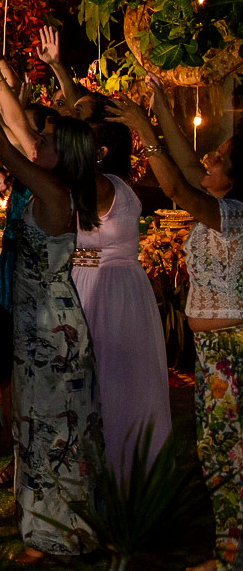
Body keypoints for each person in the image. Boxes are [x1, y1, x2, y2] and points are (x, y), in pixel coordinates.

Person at [0, 45, 102, 564]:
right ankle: (42, 528)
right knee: (33, 427)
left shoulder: (53, 192)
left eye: (46, 141)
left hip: (52, 328)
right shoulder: (48, 187)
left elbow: (5, 148)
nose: (38, 142)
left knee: (55, 430)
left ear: (63, 155)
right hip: (33, 322)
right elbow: (10, 141)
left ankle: (61, 535)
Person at [109, 83, 243, 571]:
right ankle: (227, 551)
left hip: (233, 355)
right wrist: (159, 104)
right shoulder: (219, 208)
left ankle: (232, 557)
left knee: (231, 456)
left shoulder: (235, 216)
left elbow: (177, 189)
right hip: (213, 354)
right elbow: (186, 165)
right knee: (215, 453)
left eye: (220, 158)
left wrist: (145, 134)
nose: (209, 158)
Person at [73, 118, 171, 482]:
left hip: (103, 288)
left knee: (109, 379)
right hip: (124, 287)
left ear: (99, 153)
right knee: (125, 379)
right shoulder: (120, 185)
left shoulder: (101, 185)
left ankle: (113, 473)